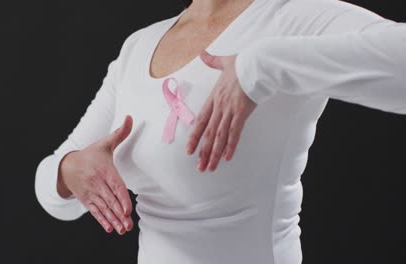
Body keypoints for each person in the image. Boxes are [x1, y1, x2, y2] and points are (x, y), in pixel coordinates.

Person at [34, 0, 406, 263]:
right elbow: (53, 191)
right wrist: (71, 169)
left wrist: (261, 66)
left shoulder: (294, 17)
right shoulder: (139, 46)